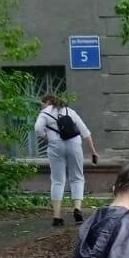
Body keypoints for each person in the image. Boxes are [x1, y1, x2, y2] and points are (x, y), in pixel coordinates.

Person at [34, 94, 99, 227]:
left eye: (42, 103)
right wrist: (93, 151)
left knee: (57, 180)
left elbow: (38, 129)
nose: (42, 106)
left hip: (55, 146)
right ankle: (77, 210)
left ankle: (57, 217)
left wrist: (47, 139)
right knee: (77, 177)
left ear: (47, 102)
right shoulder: (70, 111)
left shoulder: (44, 113)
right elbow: (85, 132)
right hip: (74, 144)